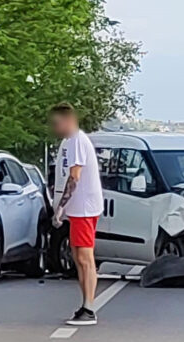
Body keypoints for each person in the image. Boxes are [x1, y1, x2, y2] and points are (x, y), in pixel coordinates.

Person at [49, 103, 104, 326]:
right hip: (79, 208)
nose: (55, 127)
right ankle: (86, 305)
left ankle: (89, 308)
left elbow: (74, 177)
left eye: (57, 123)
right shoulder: (70, 141)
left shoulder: (77, 141)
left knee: (84, 257)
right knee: (78, 257)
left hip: (84, 207)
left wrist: (61, 207)